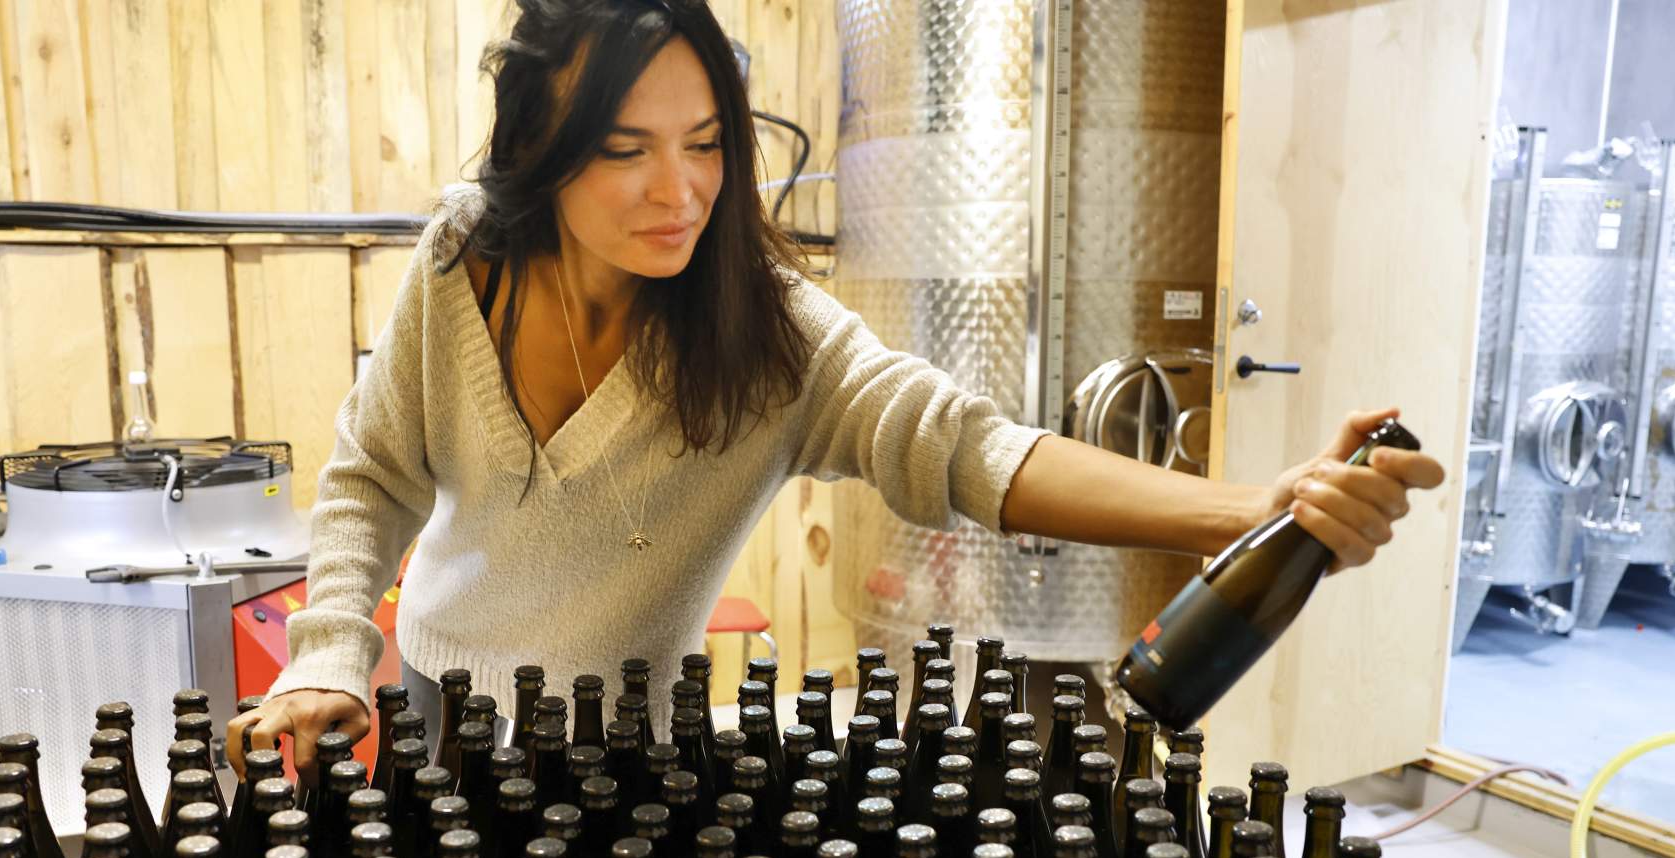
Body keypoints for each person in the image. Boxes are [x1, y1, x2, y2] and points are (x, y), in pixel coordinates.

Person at [226, 0, 1444, 781]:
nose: (679, 192)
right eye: (624, 149)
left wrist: (1249, 511)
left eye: (706, 143)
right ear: (538, 151)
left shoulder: (767, 335)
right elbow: (372, 477)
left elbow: (970, 449)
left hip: (639, 757)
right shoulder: (462, 262)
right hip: (449, 711)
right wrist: (330, 651)